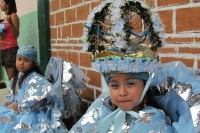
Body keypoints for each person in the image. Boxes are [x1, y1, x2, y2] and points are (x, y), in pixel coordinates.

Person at [69, 0, 199, 132]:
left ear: (145, 85)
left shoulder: (153, 120)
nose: (122, 92)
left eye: (130, 83)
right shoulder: (103, 110)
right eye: (114, 85)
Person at [0, 45, 68, 132]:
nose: (21, 63)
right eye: (19, 59)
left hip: (31, 113)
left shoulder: (36, 80)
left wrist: (20, 107)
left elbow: (36, 102)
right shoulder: (17, 77)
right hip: (17, 109)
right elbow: (15, 93)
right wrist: (10, 100)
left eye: (26, 60)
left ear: (34, 63)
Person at [0, 0, 20, 81]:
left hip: (11, 48)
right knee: (10, 79)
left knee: (12, 79)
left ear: (7, 4)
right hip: (4, 49)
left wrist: (11, 23)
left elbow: (16, 34)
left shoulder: (13, 15)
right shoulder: (4, 18)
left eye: (2, 2)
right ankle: (13, 93)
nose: (0, 4)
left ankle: (15, 93)